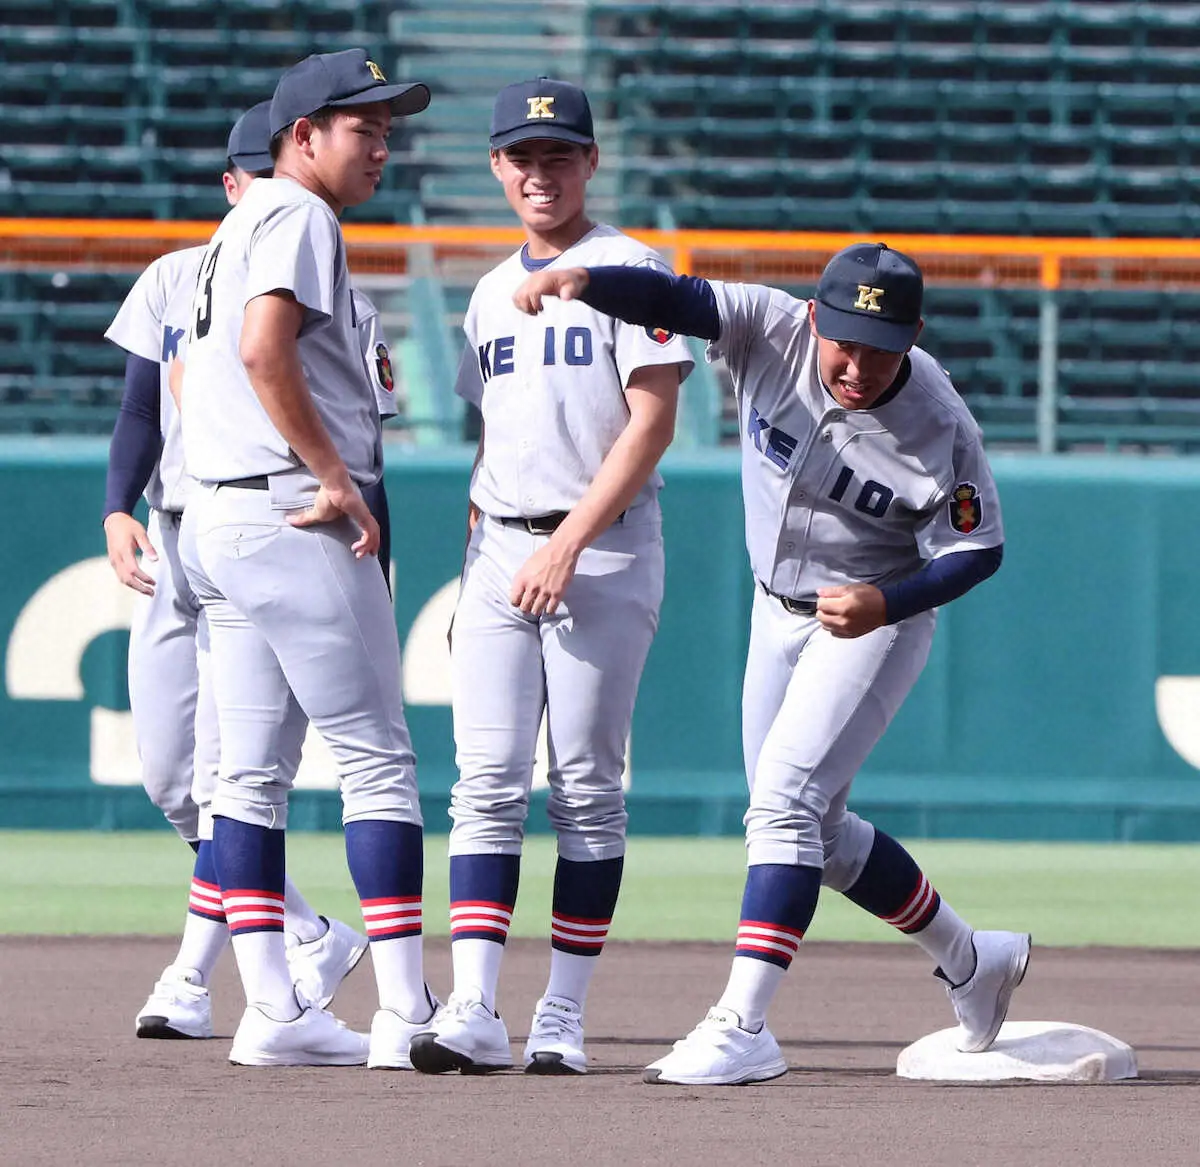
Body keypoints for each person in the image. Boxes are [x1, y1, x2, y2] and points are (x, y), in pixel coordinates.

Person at [512, 242, 1030, 1085]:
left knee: (784, 804)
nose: (857, 363)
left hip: (872, 622)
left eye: (881, 344)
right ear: (816, 317)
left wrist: (887, 602)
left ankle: (743, 1023)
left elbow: (979, 549)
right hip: (775, 608)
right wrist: (586, 281)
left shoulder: (940, 422)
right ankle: (973, 958)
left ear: (914, 335)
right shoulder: (772, 327)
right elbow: (678, 297)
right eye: (845, 339)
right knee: (812, 831)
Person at [408, 78, 693, 1077]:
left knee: (584, 789)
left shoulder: (631, 268)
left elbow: (652, 424)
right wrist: (478, 560)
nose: (541, 172)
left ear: (591, 163)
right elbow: (493, 438)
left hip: (604, 550)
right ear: (496, 167)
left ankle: (562, 1015)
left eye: (559, 155)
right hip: (499, 554)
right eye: (522, 157)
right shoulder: (488, 291)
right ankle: (476, 1010)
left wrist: (567, 541)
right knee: (483, 784)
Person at [103, 100, 386, 1041]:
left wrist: (365, 523)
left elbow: (367, 428)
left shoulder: (310, 268)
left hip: (249, 518)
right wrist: (115, 504)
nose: (242, 188)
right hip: (206, 524)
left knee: (239, 771)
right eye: (234, 175)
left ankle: (210, 981)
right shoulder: (198, 267)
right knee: (183, 775)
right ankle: (326, 952)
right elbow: (145, 406)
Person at [175, 49, 435, 1069]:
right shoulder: (297, 214)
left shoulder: (233, 227)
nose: (381, 145)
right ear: (301, 138)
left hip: (221, 519)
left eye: (386, 128)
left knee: (247, 780)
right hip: (289, 515)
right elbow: (261, 350)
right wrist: (329, 472)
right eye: (361, 127)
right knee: (378, 761)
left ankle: (276, 1010)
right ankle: (408, 1014)